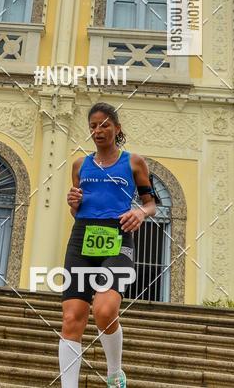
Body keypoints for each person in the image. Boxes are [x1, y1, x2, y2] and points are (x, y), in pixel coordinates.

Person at [59, 102, 157, 388]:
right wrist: (73, 204)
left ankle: (114, 373)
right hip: (82, 237)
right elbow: (77, 210)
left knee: (104, 310)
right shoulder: (79, 165)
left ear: (116, 128)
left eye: (104, 125)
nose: (98, 131)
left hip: (117, 237)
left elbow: (151, 204)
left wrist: (139, 212)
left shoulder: (134, 162)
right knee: (71, 317)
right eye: (92, 126)